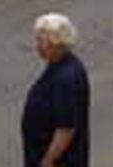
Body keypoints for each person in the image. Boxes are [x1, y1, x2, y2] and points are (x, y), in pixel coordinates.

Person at [21, 13, 90, 167]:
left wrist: (48, 161)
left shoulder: (67, 79)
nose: (37, 45)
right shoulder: (60, 63)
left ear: (57, 44)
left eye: (42, 41)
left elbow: (65, 129)